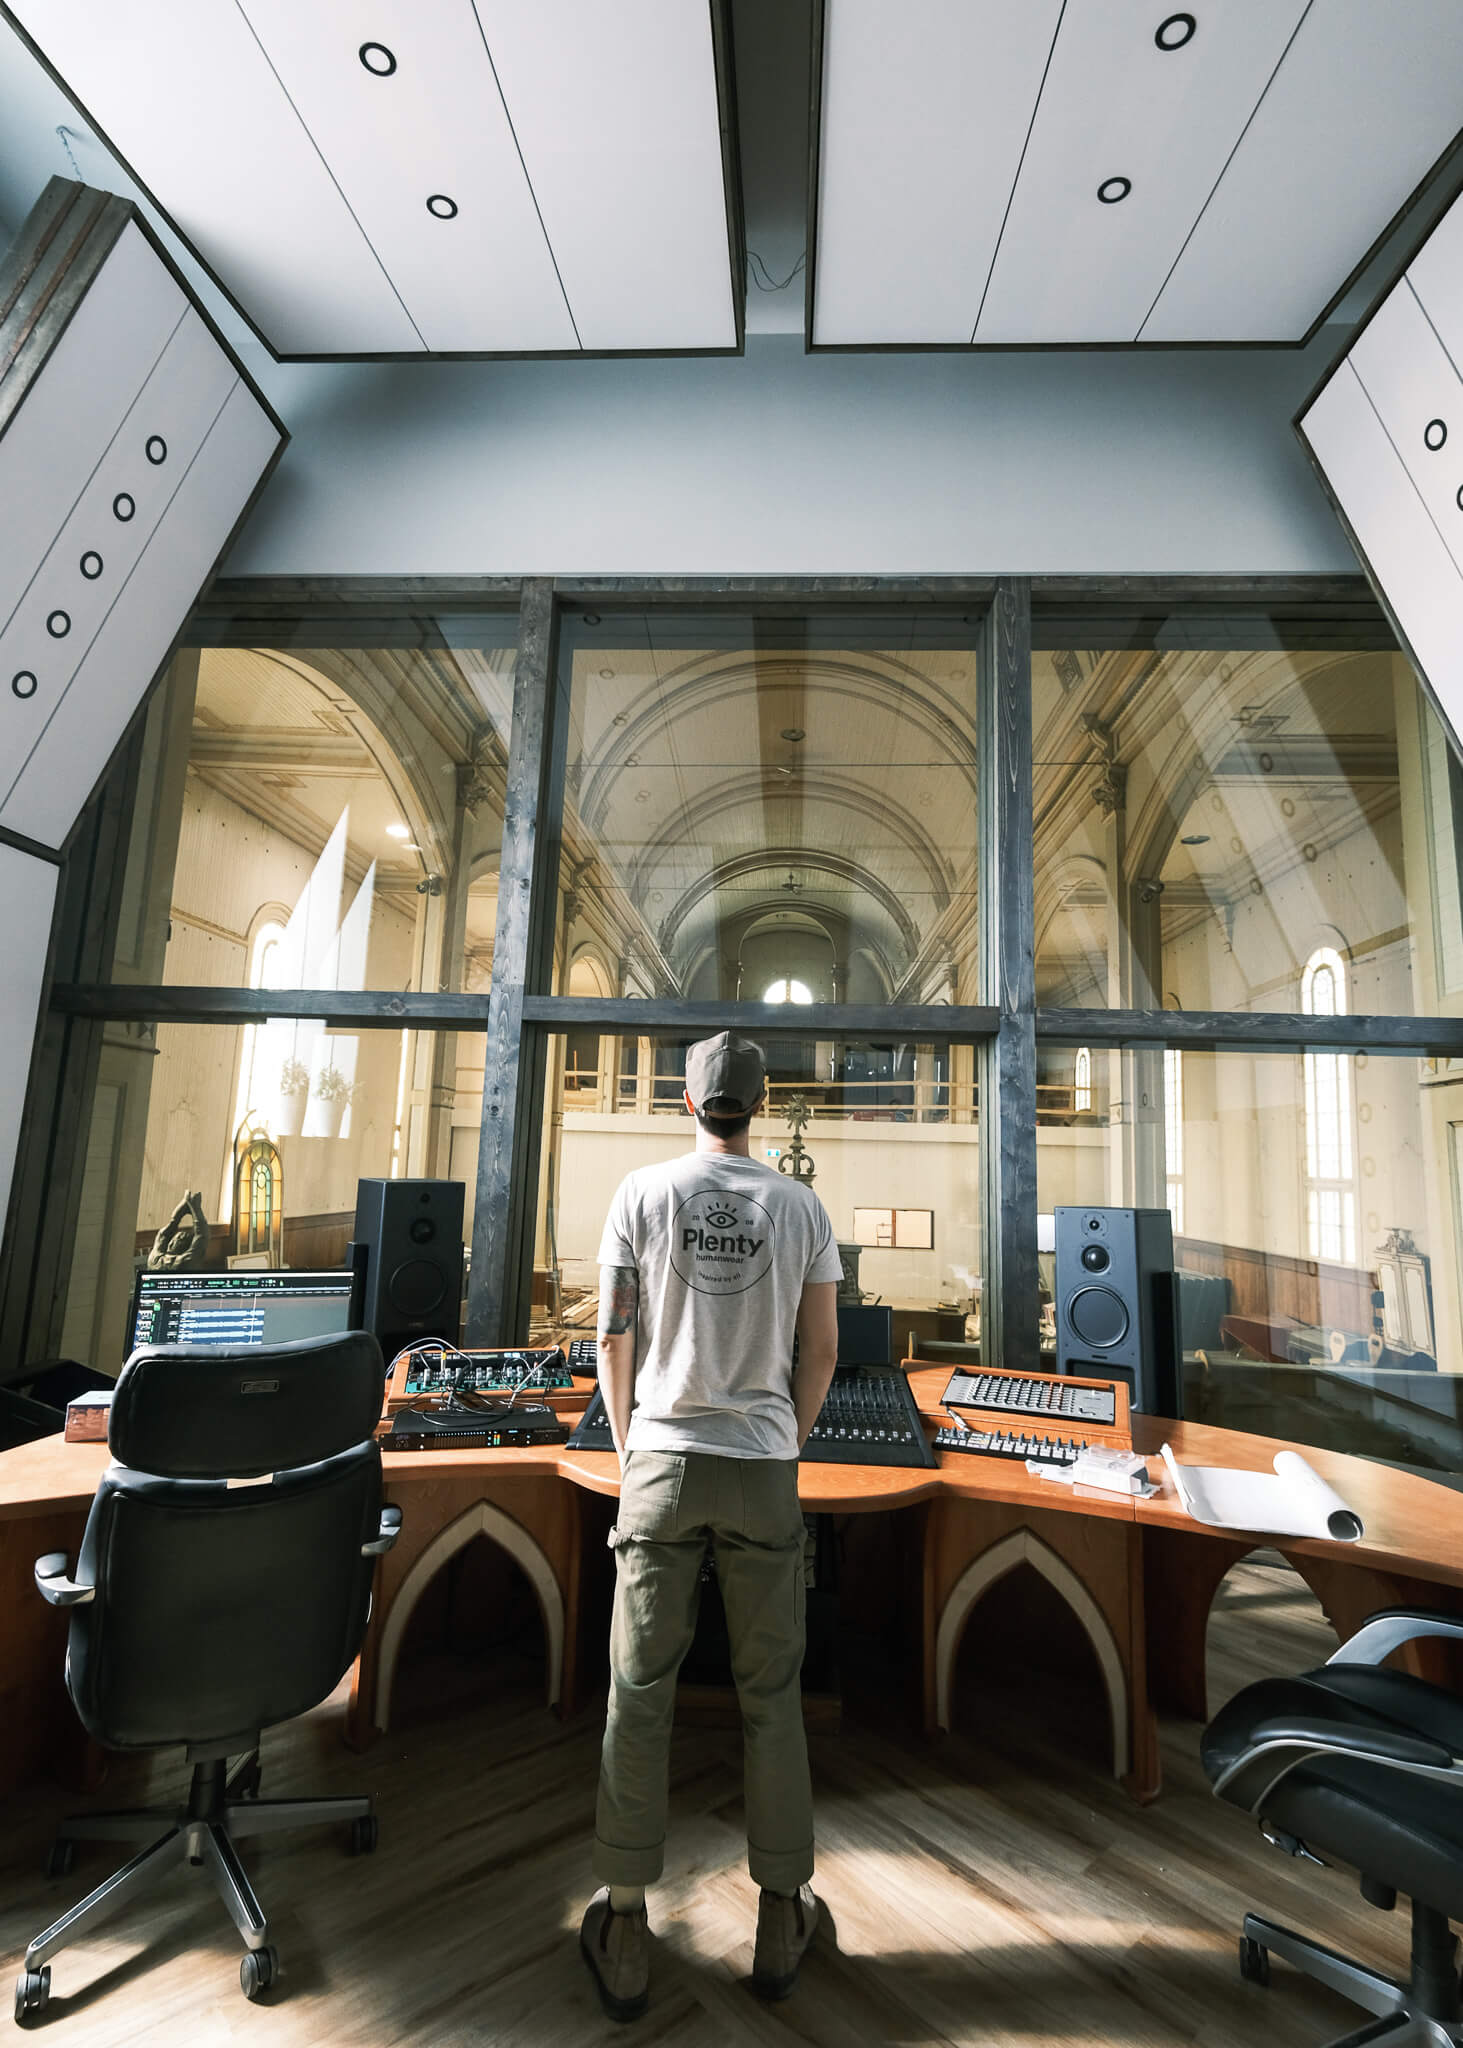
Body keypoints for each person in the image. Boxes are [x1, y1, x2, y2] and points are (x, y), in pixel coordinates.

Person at [579, 1030, 842, 2021]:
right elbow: (816, 1349)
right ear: (758, 1105)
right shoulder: (801, 1205)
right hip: (761, 1465)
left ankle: (625, 1924)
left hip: (660, 1461)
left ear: (684, 1102)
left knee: (637, 1689)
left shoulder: (639, 1192)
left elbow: (614, 1333)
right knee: (770, 1693)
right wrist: (784, 1437)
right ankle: (780, 1913)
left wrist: (628, 1443)